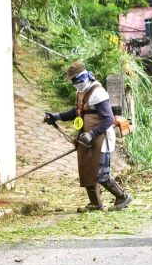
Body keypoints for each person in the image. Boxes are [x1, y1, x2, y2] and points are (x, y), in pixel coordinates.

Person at [44, 61, 133, 211]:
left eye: (76, 80)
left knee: (100, 173)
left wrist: (92, 134)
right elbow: (77, 112)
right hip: (85, 136)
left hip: (101, 137)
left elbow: (108, 120)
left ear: (84, 76)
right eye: (72, 81)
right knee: (87, 171)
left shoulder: (98, 93)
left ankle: (122, 197)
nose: (74, 83)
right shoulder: (81, 92)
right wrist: (56, 116)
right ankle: (95, 203)